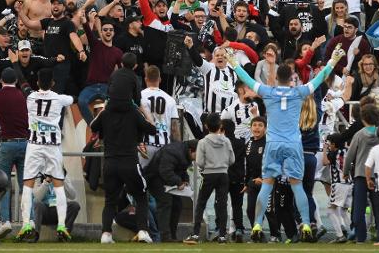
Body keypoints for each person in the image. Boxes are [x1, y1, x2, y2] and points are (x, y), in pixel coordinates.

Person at [225, 44, 346, 242]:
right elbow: (319, 79)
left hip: (272, 144)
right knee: (297, 185)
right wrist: (332, 61)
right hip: (293, 144)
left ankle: (256, 224)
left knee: (267, 184)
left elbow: (247, 81)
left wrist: (234, 63)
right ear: (290, 78)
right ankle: (306, 224)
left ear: (277, 78)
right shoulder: (298, 92)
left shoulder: (267, 91)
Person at [90, 55, 157, 243]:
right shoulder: (133, 114)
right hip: (129, 162)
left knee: (110, 200)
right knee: (142, 196)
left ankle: (105, 234)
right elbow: (152, 129)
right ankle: (143, 231)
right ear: (135, 65)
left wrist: (104, 113)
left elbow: (94, 127)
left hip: (110, 163)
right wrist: (144, 112)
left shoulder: (106, 114)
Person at [17, 68, 74, 242]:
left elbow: (23, 84)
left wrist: (15, 64)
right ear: (53, 83)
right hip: (52, 146)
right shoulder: (59, 98)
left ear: (37, 83)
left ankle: (26, 224)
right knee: (58, 185)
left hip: (35, 145)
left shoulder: (30, 97)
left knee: (27, 185)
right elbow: (72, 99)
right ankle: (62, 225)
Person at [0, 66, 29, 240]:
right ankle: (29, 222)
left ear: (2, 80)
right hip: (25, 143)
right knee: (26, 185)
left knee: (2, 184)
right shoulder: (23, 96)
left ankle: (5, 220)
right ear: (16, 81)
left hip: (7, 143)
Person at [184, 113, 234, 244]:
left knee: (201, 203)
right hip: (223, 174)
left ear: (206, 126)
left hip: (209, 174)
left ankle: (195, 234)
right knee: (222, 204)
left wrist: (209, 164)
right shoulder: (226, 140)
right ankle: (222, 235)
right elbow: (232, 160)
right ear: (220, 125)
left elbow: (199, 162)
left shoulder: (203, 142)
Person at [143, 139, 197, 242]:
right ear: (191, 150)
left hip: (165, 179)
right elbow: (165, 171)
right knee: (165, 201)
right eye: (199, 153)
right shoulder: (173, 152)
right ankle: (165, 236)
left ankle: (172, 236)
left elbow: (181, 170)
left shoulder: (184, 154)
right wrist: (178, 182)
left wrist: (185, 180)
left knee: (177, 204)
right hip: (154, 177)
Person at [344, 103, 379, 243]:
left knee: (358, 206)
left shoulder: (359, 135)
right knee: (378, 206)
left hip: (360, 174)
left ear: (363, 118)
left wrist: (346, 171)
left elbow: (350, 155)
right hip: (377, 174)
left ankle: (360, 236)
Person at [32, 175, 81, 242]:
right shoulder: (39, 176)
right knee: (37, 203)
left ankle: (63, 234)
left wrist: (62, 181)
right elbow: (37, 197)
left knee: (74, 205)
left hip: (60, 211)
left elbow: (73, 196)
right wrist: (46, 182)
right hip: (45, 211)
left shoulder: (63, 176)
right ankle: (35, 234)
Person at [322, 132, 352, 244]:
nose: (329, 145)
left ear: (334, 144)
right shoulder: (347, 151)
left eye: (330, 143)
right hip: (349, 184)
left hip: (338, 184)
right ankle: (352, 233)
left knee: (330, 210)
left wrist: (325, 150)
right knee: (344, 211)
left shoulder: (334, 153)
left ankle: (340, 235)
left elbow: (325, 162)